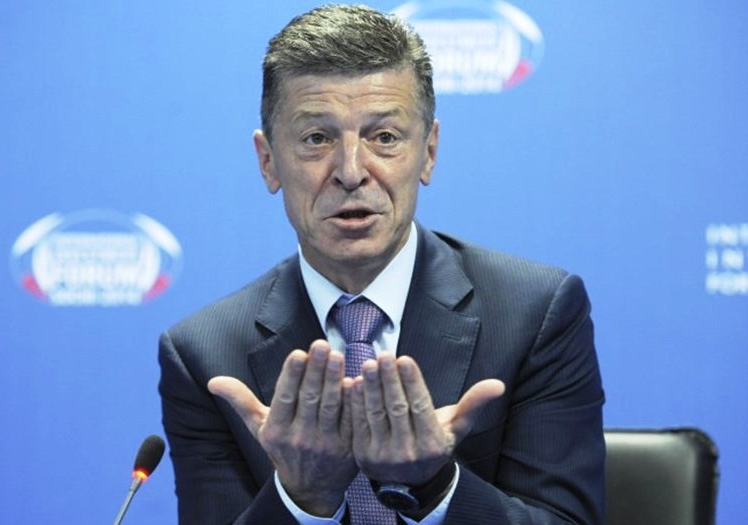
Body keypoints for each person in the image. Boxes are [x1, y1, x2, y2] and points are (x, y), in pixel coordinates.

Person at [158, 4, 605, 524]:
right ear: (268, 161)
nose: (351, 172)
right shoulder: (205, 354)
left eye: (384, 137)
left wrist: (435, 486)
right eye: (317, 138)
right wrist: (303, 498)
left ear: (429, 151)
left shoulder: (534, 313)